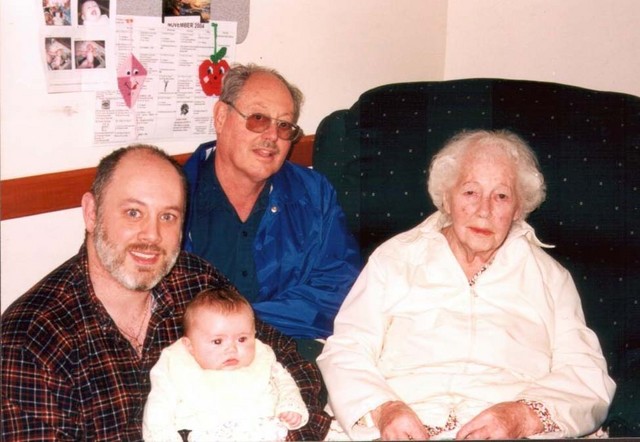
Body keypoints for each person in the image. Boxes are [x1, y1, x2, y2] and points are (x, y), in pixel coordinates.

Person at [1, 144, 330, 441]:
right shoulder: (31, 340)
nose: (152, 235)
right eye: (134, 213)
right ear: (91, 212)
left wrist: (277, 434)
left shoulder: (197, 282)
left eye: (168, 216)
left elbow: (293, 367)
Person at [317, 129, 616, 440]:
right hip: (404, 427)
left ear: (518, 208)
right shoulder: (395, 258)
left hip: (511, 432)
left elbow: (587, 374)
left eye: (501, 196)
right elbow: (347, 348)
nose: (484, 210)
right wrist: (383, 409)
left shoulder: (550, 277)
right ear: (446, 198)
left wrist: (521, 415)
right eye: (470, 192)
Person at [183, 63, 361, 359]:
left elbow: (339, 288)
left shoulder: (313, 193)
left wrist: (243, 327)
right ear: (221, 116)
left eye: (284, 125)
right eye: (258, 118)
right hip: (199, 364)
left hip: (295, 354)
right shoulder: (174, 197)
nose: (272, 136)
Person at [143, 287, 309, 441]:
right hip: (208, 432)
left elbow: (285, 381)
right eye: (217, 341)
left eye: (242, 339)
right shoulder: (176, 363)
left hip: (265, 429)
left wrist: (290, 406)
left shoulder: (261, 355)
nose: (232, 349)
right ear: (190, 346)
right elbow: (158, 408)